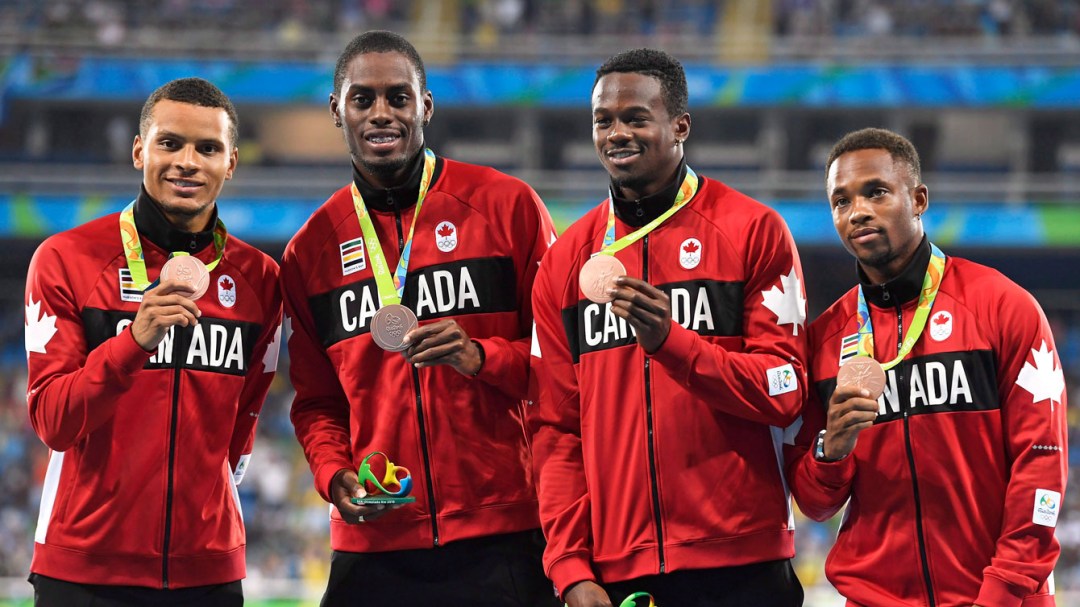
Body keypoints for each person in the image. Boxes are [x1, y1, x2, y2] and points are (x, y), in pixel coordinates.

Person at [280, 30, 558, 606]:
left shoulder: (507, 207)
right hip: (373, 546)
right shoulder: (310, 251)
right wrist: (334, 476)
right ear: (337, 109)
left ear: (425, 105)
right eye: (362, 99)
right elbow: (316, 403)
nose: (382, 113)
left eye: (398, 97)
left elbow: (564, 364)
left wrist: (481, 356)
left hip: (502, 536)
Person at [528, 48, 809, 607]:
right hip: (620, 569)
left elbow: (787, 388)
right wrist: (569, 566)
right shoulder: (565, 265)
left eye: (635, 117)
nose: (616, 133)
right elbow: (555, 431)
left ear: (680, 125)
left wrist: (675, 345)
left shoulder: (753, 231)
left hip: (742, 564)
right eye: (603, 120)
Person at [24, 77, 283, 606]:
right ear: (139, 150)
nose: (188, 161)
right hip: (83, 571)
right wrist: (132, 342)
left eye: (207, 148)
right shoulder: (65, 260)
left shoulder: (261, 280)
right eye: (170, 143)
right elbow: (53, 421)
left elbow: (243, 425)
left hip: (207, 574)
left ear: (230, 162)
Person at [786, 127, 1066, 606]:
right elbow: (816, 503)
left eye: (876, 191)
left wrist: (1001, 593)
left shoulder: (1001, 306)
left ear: (918, 199)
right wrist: (831, 450)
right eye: (841, 200)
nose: (858, 211)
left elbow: (1041, 468)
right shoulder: (826, 342)